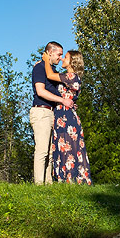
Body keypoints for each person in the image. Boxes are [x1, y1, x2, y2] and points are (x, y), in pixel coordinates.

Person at [43, 48, 92, 184]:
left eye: (66, 57)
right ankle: (66, 179)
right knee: (63, 147)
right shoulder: (68, 77)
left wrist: (46, 59)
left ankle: (71, 179)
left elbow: (49, 75)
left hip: (66, 118)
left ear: (72, 62)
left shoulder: (71, 76)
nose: (63, 59)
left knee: (68, 148)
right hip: (62, 115)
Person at [29, 41, 72, 184]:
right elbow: (40, 91)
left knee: (50, 152)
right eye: (59, 54)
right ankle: (39, 184)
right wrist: (62, 100)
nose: (60, 58)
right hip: (41, 111)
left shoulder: (51, 71)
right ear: (49, 52)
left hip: (52, 113)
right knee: (42, 150)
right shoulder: (40, 68)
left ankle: (48, 183)